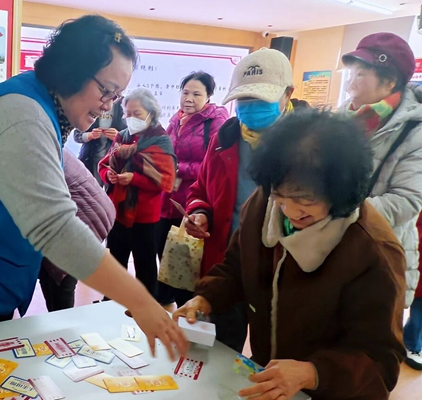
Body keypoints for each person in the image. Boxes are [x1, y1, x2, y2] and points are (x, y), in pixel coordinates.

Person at [0, 15, 188, 359]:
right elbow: (56, 228)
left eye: (116, 95)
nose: (109, 105)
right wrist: (141, 301)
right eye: (106, 90)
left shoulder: (44, 107)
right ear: (72, 69)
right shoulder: (23, 114)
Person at [175, 109, 406, 399]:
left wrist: (312, 372)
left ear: (341, 191)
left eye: (305, 201)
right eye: (280, 197)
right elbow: (236, 267)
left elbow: (380, 360)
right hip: (271, 380)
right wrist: (205, 298)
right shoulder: (262, 205)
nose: (290, 212)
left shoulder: (372, 251)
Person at [183, 48, 295, 352]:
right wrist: (200, 212)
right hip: (228, 265)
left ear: (288, 94)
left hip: (280, 274)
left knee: (272, 356)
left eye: (260, 99)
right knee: (221, 349)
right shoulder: (226, 138)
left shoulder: (306, 145)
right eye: (244, 100)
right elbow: (201, 189)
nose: (251, 108)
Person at [341, 33, 422, 368]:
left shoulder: (415, 130)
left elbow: (407, 200)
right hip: (331, 250)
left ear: (389, 82)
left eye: (362, 73)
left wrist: (336, 212)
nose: (351, 82)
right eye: (352, 72)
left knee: (362, 360)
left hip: (379, 258)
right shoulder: (341, 120)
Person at [156, 71, 229, 309]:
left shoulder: (216, 122)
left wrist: (180, 168)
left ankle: (190, 312)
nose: (188, 98)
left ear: (208, 97)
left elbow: (214, 167)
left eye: (196, 94)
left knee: (188, 265)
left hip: (194, 205)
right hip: (168, 201)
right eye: (185, 92)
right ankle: (167, 306)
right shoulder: (175, 120)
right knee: (167, 257)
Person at [98, 88, 176, 298]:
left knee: (145, 264)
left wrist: (134, 178)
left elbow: (165, 181)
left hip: (145, 216)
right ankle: (111, 301)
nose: (131, 118)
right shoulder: (122, 136)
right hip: (118, 211)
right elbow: (105, 164)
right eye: (128, 113)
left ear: (151, 114)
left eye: (137, 113)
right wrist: (109, 176)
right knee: (115, 261)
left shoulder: (160, 140)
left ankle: (146, 304)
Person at [38, 148, 115, 312]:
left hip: (80, 219)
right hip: (88, 213)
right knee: (52, 277)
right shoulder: (43, 143)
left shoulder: (30, 151)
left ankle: (62, 322)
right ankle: (58, 319)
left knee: (60, 279)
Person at [74, 101, 127, 186]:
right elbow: (76, 135)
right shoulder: (91, 102)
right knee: (90, 190)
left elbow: (133, 138)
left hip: (114, 163)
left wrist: (119, 137)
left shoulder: (123, 105)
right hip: (89, 160)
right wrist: (89, 135)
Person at [404, 215, 422, 370]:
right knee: (418, 318)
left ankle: (410, 341)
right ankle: (412, 346)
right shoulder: (416, 225)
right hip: (418, 283)